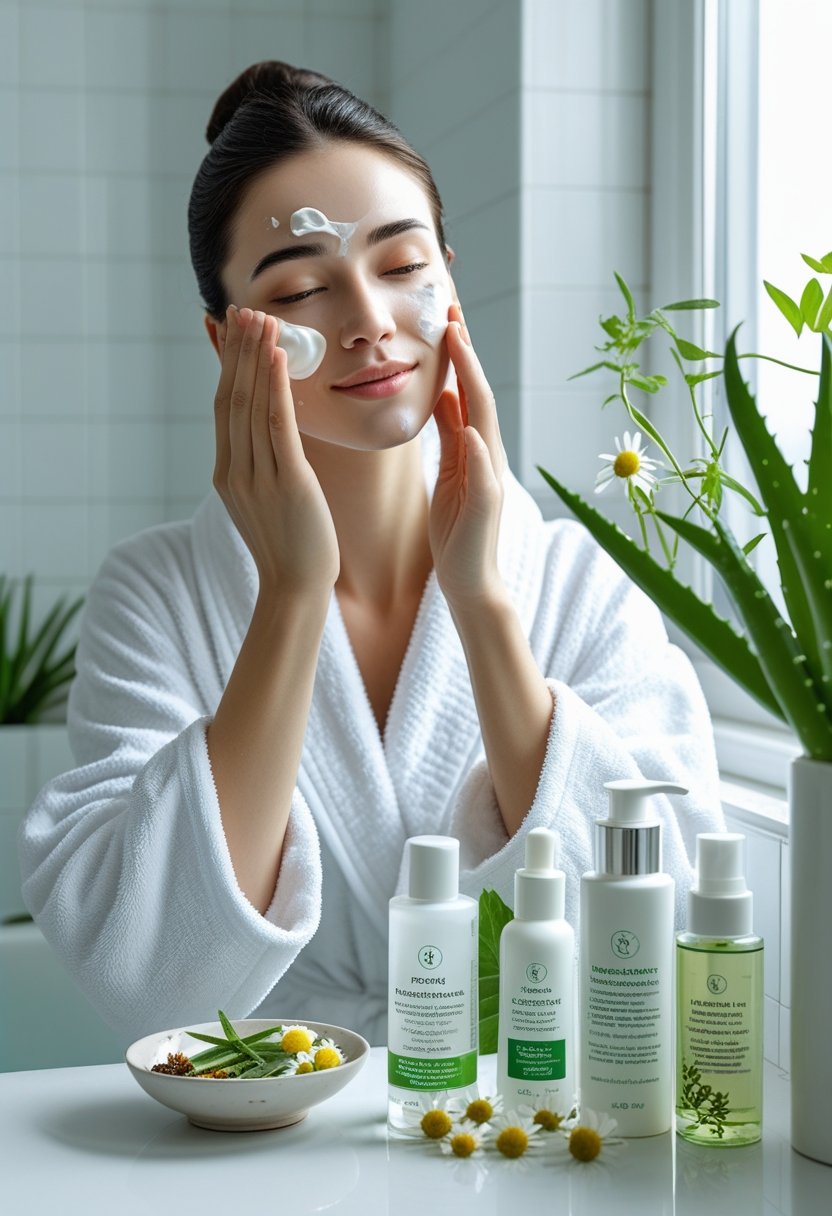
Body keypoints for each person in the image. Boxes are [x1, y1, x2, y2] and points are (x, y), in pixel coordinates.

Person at [19, 62, 724, 1046]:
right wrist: (290, 596)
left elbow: (676, 920)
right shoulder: (155, 595)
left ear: (450, 281)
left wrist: (482, 609)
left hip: (531, 1133)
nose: (367, 321)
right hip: (262, 1153)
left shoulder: (576, 583)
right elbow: (149, 978)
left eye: (401, 268)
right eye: (302, 288)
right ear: (226, 342)